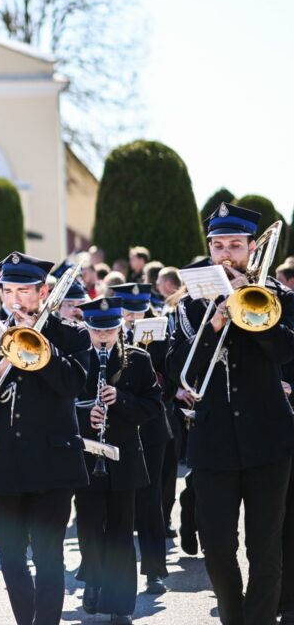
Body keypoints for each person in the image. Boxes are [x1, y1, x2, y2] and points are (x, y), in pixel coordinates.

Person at [166, 202, 294, 625]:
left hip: (269, 440)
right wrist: (218, 320)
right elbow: (180, 370)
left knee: (265, 547)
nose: (225, 254)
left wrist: (252, 309)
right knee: (218, 547)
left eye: (235, 246)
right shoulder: (187, 306)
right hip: (213, 442)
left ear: (252, 248)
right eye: (217, 245)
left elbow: (286, 352)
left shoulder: (278, 295)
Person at [0, 252, 90, 625]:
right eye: (7, 291)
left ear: (43, 291)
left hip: (53, 463)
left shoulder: (72, 333)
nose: (13, 300)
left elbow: (74, 384)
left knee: (48, 557)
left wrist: (38, 346)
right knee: (10, 558)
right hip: (5, 462)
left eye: (23, 291)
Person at [73, 297, 163, 625]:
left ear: (120, 326)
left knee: (122, 532)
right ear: (88, 327)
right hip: (86, 457)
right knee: (89, 528)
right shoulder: (78, 359)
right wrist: (87, 414)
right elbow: (61, 405)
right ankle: (94, 580)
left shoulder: (138, 359)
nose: (104, 337)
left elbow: (154, 405)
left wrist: (120, 399)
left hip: (124, 457)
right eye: (97, 330)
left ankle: (120, 605)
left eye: (110, 329)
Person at [111, 282, 174, 595]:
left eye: (138, 310)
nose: (133, 316)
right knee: (112, 502)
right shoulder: (106, 334)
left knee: (150, 500)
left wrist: (147, 358)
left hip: (149, 428)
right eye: (127, 311)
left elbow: (170, 380)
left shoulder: (163, 334)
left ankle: (154, 570)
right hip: (117, 429)